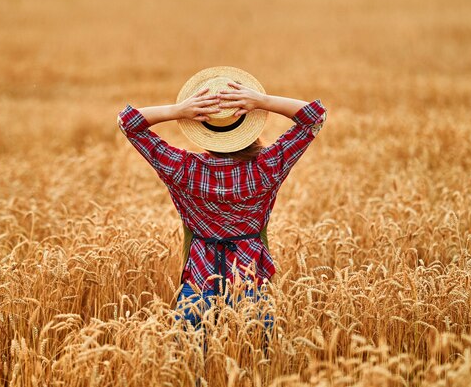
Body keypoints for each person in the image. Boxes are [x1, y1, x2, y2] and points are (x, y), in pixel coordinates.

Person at [116, 66, 327, 350]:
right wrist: (261, 101)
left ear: (202, 129)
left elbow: (128, 123)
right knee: (255, 366)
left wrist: (180, 110)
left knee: (190, 369)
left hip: (199, 282)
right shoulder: (266, 168)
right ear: (249, 124)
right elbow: (314, 117)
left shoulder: (184, 170)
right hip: (251, 284)